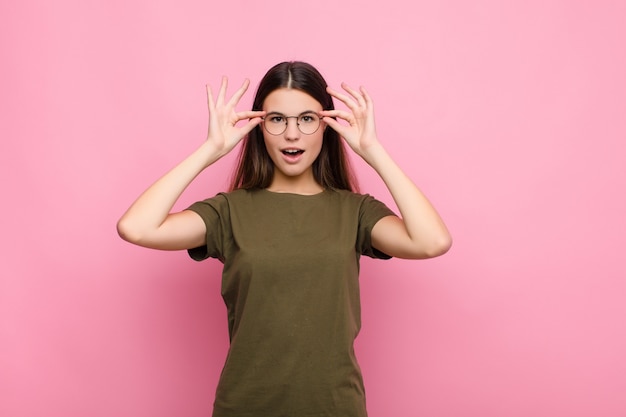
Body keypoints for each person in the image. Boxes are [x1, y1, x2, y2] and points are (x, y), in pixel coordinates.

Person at [117, 61, 452, 417]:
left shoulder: (355, 212)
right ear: (259, 127)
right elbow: (137, 227)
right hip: (245, 407)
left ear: (327, 126)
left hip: (335, 408)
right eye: (277, 119)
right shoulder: (229, 211)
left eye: (307, 119)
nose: (292, 134)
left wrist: (373, 151)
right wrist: (210, 150)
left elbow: (432, 242)